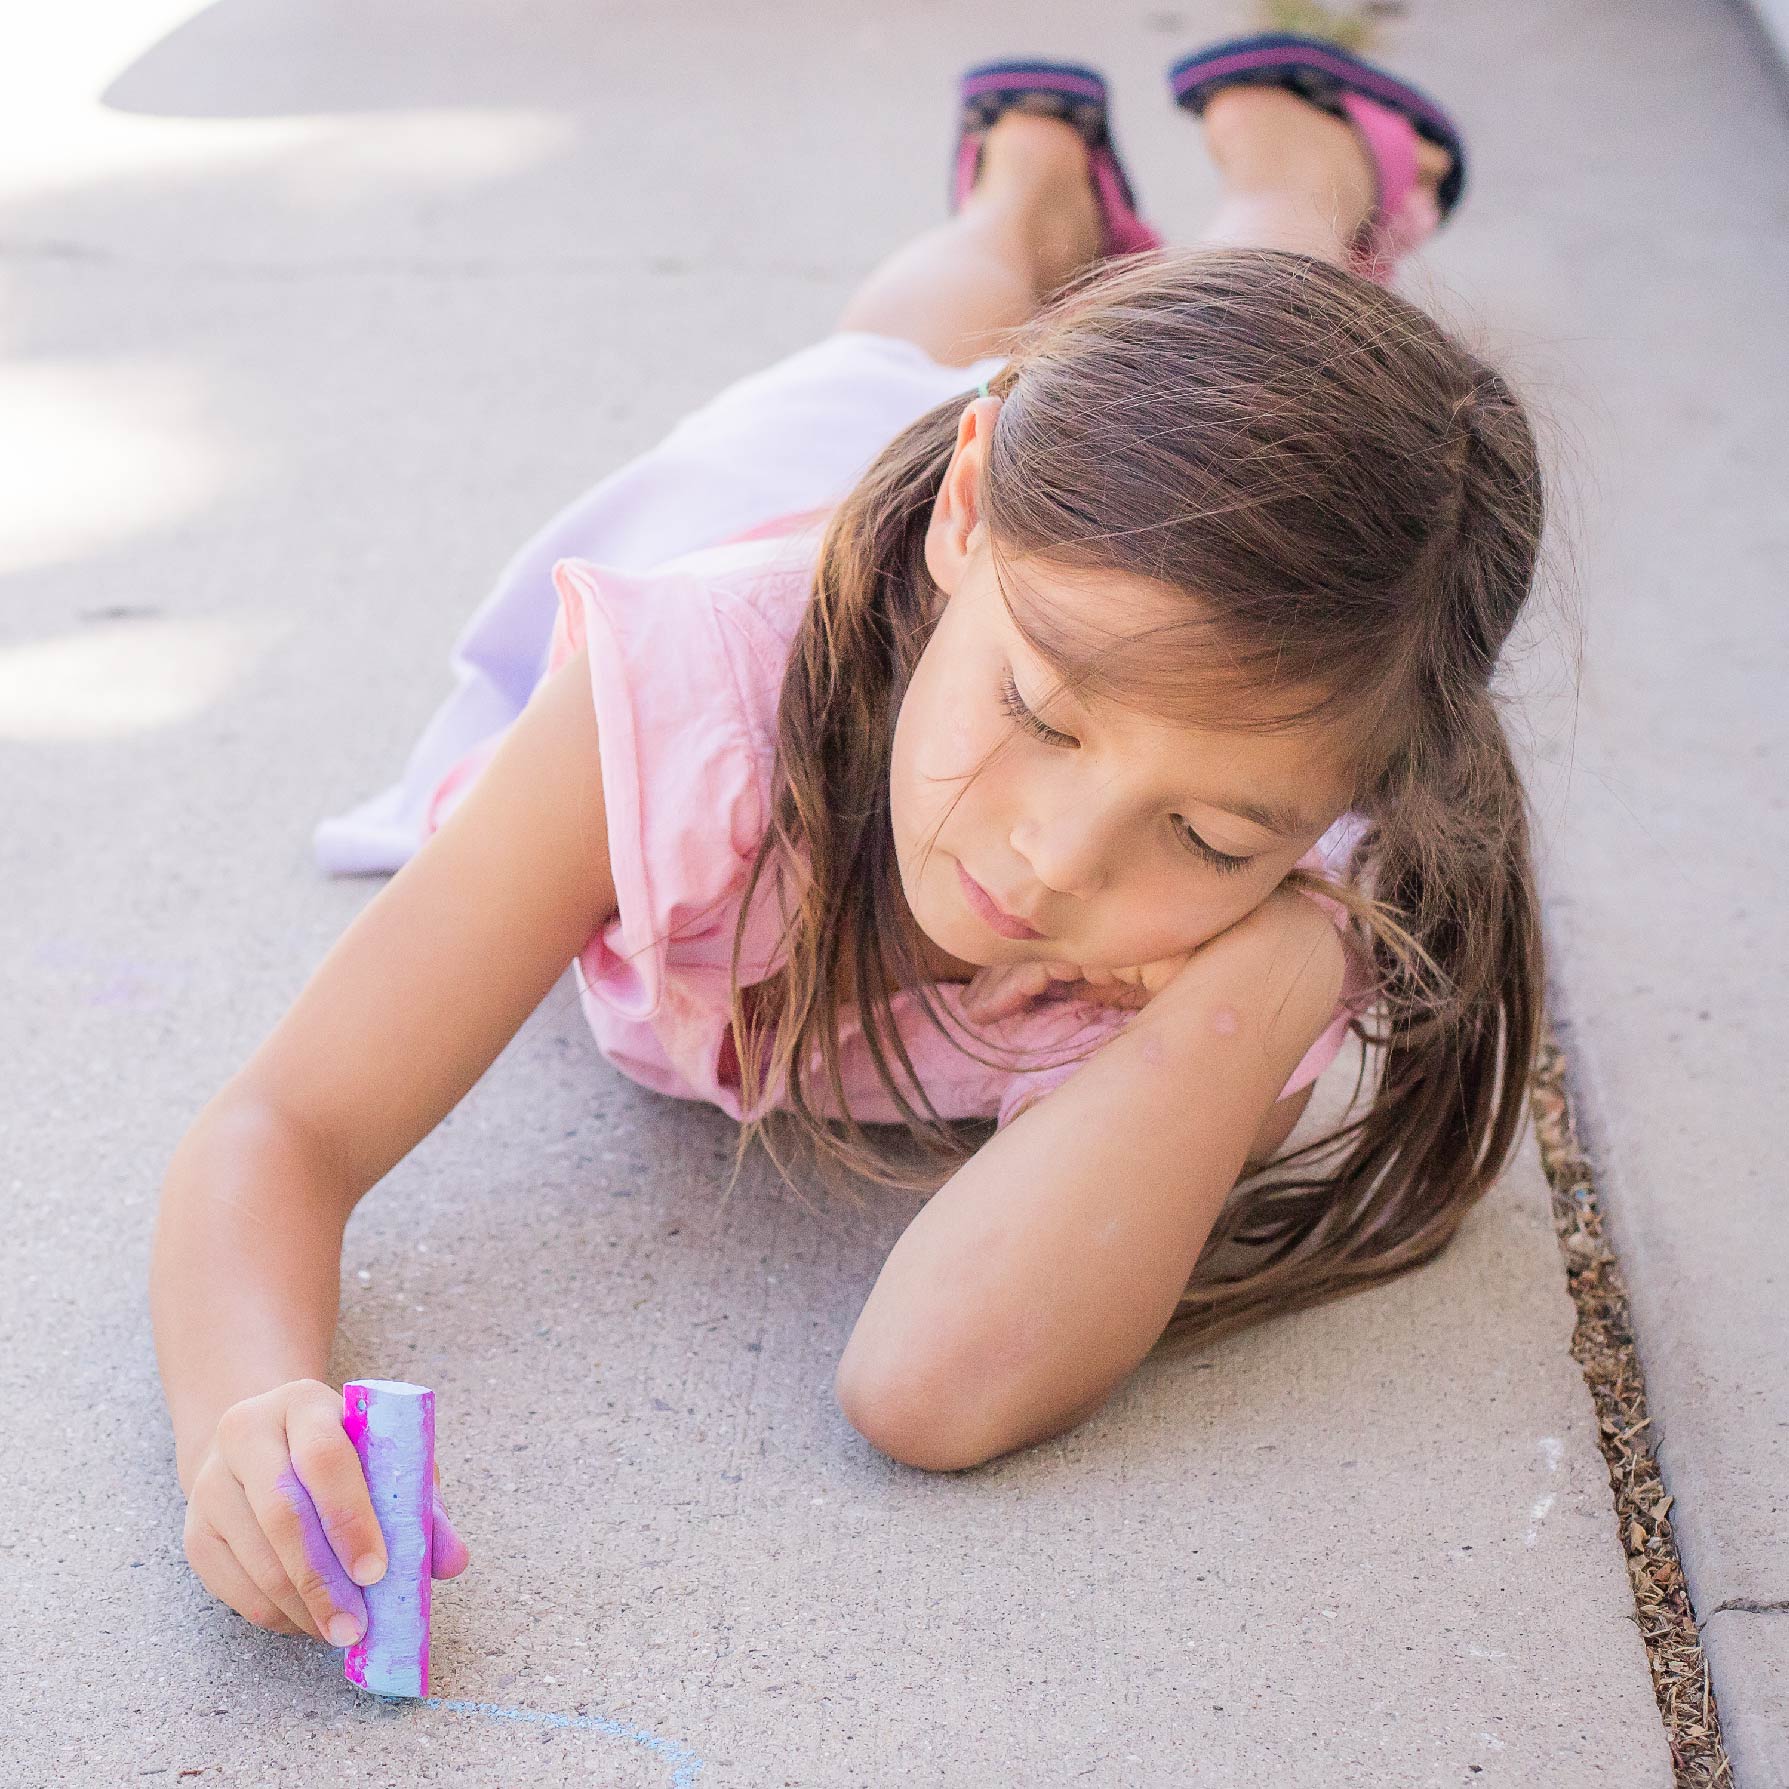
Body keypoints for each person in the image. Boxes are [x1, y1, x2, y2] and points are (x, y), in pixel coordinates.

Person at [152, 34, 1547, 1651]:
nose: (1056, 864)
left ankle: (1301, 184)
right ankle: (1031, 193)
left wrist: (1284, 957)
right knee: (916, 331)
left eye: (1204, 834)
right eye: (1040, 715)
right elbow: (280, 1125)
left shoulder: (1268, 849)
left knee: (1282, 427)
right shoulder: (677, 711)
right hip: (815, 504)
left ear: (1318, 823)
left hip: (1092, 561)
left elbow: (934, 1384)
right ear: (969, 511)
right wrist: (241, 1408)